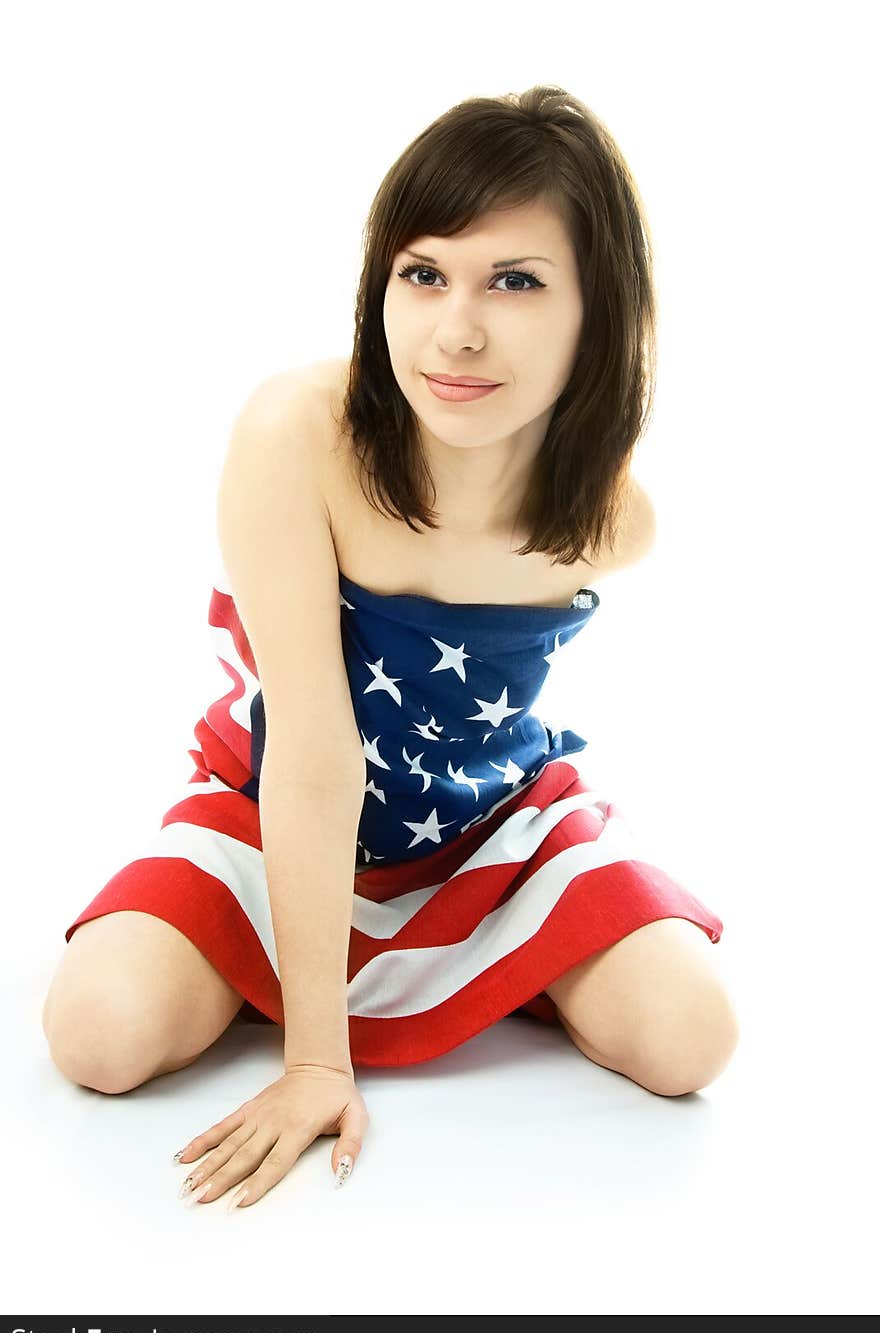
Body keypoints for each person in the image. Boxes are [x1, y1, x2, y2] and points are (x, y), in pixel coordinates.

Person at [41, 84, 739, 1211]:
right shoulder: (297, 434)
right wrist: (318, 1060)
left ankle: (479, 959)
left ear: (598, 311)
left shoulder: (614, 518)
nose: (455, 330)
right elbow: (312, 750)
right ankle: (337, 966)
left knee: (690, 1037)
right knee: (100, 1031)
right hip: (276, 799)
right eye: (423, 274)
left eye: (514, 281)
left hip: (484, 825)